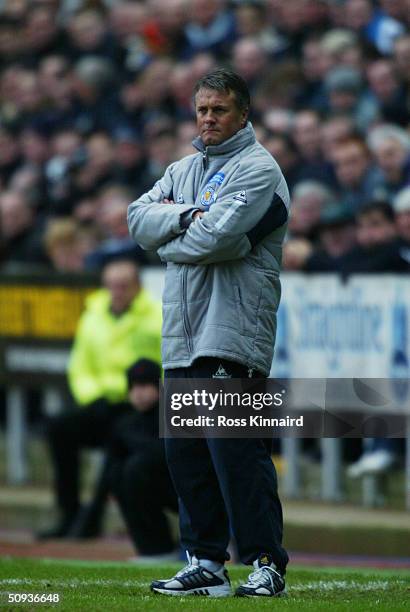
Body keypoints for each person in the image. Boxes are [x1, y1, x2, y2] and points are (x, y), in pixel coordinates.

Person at [128, 69, 289, 598]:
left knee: (234, 449)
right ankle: (206, 562)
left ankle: (266, 563)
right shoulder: (182, 169)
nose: (208, 118)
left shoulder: (259, 169)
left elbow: (216, 241)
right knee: (187, 452)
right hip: (183, 328)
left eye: (219, 110)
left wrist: (171, 233)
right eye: (202, 109)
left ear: (243, 113)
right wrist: (190, 220)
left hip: (232, 326)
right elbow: (136, 219)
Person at [38, 257, 162, 539]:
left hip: (140, 405)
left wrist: (135, 393)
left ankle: (91, 519)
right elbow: (79, 364)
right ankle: (69, 512)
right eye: (111, 286)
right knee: (59, 429)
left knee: (118, 441)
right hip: (99, 401)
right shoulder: (93, 315)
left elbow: (165, 364)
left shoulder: (157, 317)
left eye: (123, 286)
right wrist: (92, 395)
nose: (116, 292)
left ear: (137, 286)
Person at [107, 358, 178, 562]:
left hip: (185, 488)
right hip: (159, 489)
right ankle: (154, 549)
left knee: (136, 467)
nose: (138, 393)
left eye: (145, 385)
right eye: (134, 386)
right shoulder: (124, 424)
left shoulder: (174, 413)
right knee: (118, 472)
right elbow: (108, 470)